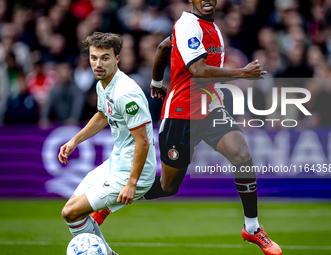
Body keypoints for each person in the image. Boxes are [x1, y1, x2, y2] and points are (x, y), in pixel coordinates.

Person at [93, 1, 282, 255]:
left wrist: (157, 81)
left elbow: (163, 47)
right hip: (180, 115)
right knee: (169, 187)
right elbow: (198, 70)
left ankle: (252, 228)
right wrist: (243, 73)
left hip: (210, 109)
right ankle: (109, 201)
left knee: (243, 157)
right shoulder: (187, 25)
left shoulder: (210, 26)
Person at [59, 32, 156, 255]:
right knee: (72, 213)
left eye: (104, 58)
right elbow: (102, 115)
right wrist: (75, 141)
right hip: (115, 163)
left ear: (117, 59)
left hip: (133, 173)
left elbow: (143, 143)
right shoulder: (103, 84)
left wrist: (132, 183)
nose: (98, 64)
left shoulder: (126, 93)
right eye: (93, 58)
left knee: (71, 212)